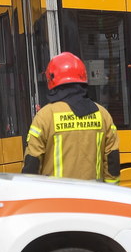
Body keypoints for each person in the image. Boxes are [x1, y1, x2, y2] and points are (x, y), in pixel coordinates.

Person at [23, 52, 119, 182]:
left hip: (57, 198)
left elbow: (32, 165)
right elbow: (112, 162)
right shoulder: (102, 114)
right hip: (94, 197)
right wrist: (112, 194)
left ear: (51, 80)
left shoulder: (45, 116)